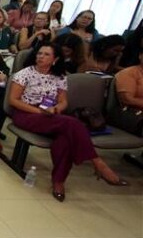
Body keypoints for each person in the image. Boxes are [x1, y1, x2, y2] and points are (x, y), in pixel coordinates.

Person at [8, 44, 128, 201]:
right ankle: (98, 163)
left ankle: (58, 181)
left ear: (55, 59)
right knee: (73, 124)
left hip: (51, 115)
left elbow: (63, 101)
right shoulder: (25, 74)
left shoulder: (59, 76)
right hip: (27, 113)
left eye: (46, 54)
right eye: (39, 53)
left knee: (65, 140)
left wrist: (56, 109)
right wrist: (40, 112)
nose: (41, 56)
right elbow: (13, 100)